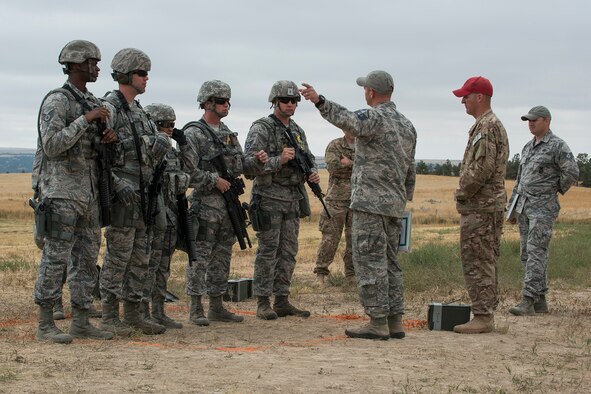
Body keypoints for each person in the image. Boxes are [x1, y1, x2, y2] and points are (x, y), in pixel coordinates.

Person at [300, 70, 416, 340]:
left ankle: (377, 322)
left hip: (369, 204)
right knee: (390, 262)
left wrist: (320, 101)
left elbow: (347, 119)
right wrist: (403, 197)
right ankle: (395, 320)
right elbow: (410, 168)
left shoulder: (374, 117)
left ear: (371, 93)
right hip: (393, 205)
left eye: (365, 89)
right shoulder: (407, 125)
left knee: (369, 262)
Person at [33, 40, 117, 344]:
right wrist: (86, 120)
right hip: (61, 192)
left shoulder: (91, 100)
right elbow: (52, 145)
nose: (96, 68)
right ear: (75, 64)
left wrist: (107, 134)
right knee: (56, 257)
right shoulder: (58, 101)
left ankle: (82, 319)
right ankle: (46, 322)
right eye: (91, 63)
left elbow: (95, 140)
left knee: (86, 258)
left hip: (90, 192)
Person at [99, 48, 171, 336]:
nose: (146, 78)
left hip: (145, 193)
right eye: (142, 73)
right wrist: (118, 184)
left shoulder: (141, 112)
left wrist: (160, 145)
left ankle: (133, 313)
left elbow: (148, 151)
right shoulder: (110, 107)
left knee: (141, 256)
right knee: (119, 256)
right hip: (123, 194)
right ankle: (108, 315)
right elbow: (100, 156)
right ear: (127, 75)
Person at [183, 80, 267, 326]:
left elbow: (240, 164)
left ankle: (217, 305)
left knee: (222, 257)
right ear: (207, 103)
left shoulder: (228, 133)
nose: (226, 105)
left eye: (228, 101)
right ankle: (196, 307)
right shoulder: (193, 133)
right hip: (205, 206)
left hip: (228, 208)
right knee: (199, 258)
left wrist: (257, 160)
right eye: (221, 101)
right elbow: (187, 172)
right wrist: (213, 180)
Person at [244, 80, 319, 320]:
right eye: (285, 100)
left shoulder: (297, 130)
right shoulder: (262, 128)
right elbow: (249, 165)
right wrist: (279, 160)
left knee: (288, 251)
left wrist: (312, 172)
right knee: (268, 251)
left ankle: (282, 299)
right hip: (268, 198)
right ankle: (263, 301)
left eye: (294, 101)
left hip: (292, 199)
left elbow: (306, 156)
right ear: (275, 102)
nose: (290, 104)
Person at [507, 106, 579, 315]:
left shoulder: (557, 146)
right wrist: (512, 208)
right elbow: (520, 180)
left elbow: (572, 172)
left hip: (543, 208)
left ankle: (528, 299)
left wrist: (553, 189)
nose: (530, 123)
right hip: (524, 207)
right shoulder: (528, 147)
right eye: (528, 120)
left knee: (536, 251)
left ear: (546, 121)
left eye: (534, 120)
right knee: (526, 253)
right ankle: (540, 300)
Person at [451, 76, 509, 334]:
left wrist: (461, 192)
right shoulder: (487, 125)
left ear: (480, 97)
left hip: (481, 207)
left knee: (478, 259)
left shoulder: (487, 127)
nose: (462, 100)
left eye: (466, 95)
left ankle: (483, 315)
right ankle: (484, 312)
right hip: (485, 206)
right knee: (484, 257)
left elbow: (482, 168)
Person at [144, 103, 195, 328]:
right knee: (149, 265)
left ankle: (158, 310)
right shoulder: (150, 149)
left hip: (173, 215)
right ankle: (143, 312)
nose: (169, 129)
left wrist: (184, 143)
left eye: (172, 126)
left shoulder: (172, 152)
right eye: (164, 125)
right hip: (154, 215)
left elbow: (191, 168)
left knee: (164, 265)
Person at [313, 130, 356, 284]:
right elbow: (333, 167)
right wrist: (358, 167)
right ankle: (321, 274)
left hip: (359, 200)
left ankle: (351, 275)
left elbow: (372, 168)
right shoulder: (335, 145)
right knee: (330, 238)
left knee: (355, 239)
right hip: (336, 200)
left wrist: (350, 163)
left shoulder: (365, 145)